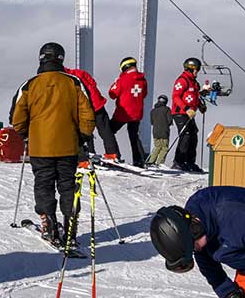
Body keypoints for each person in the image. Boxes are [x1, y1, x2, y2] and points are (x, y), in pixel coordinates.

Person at [8, 41, 95, 251]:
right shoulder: (74, 83)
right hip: (68, 148)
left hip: (40, 149)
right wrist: (81, 137)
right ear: (61, 59)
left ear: (41, 58)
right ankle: (70, 228)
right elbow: (88, 116)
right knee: (68, 187)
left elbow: (16, 119)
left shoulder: (29, 85)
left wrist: (29, 136)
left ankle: (49, 224)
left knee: (44, 185)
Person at [65, 61, 121, 161]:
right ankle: (113, 153)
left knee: (84, 129)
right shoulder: (80, 72)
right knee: (105, 130)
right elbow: (93, 83)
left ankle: (89, 152)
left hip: (85, 107)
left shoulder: (66, 79)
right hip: (98, 104)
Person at [108, 56, 148, 167]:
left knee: (109, 131)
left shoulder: (122, 80)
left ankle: (114, 154)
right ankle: (139, 160)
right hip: (137, 113)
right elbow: (144, 94)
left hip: (123, 113)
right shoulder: (143, 80)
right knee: (134, 136)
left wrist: (114, 83)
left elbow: (112, 94)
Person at [170, 57, 206, 173]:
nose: (197, 72)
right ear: (190, 69)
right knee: (185, 135)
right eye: (196, 70)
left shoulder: (193, 82)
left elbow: (194, 97)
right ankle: (178, 161)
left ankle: (190, 162)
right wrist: (186, 109)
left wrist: (200, 106)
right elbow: (176, 97)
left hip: (189, 113)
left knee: (193, 135)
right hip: (180, 113)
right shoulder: (182, 80)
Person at [148, 94, 173, 167]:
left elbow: (152, 122)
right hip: (164, 131)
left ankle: (151, 161)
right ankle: (159, 163)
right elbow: (169, 121)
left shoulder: (153, 111)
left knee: (157, 147)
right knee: (164, 148)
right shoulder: (167, 109)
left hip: (155, 131)